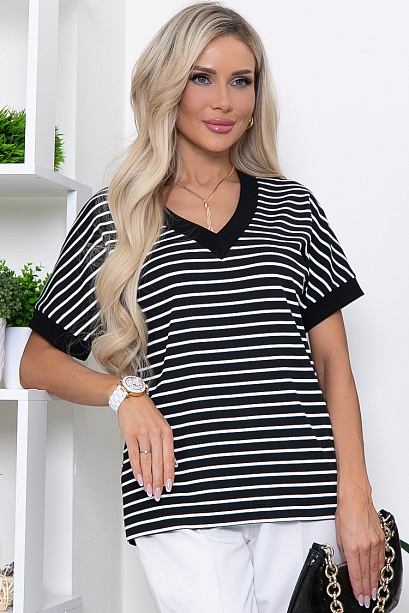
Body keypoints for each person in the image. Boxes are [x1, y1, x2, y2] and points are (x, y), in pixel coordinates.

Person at [21, 3, 385, 612]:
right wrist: (124, 396)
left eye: (241, 81)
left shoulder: (294, 209)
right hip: (179, 497)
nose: (224, 101)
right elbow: (36, 362)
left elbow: (333, 366)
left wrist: (356, 493)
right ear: (168, 86)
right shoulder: (117, 216)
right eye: (202, 78)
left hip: (302, 493)